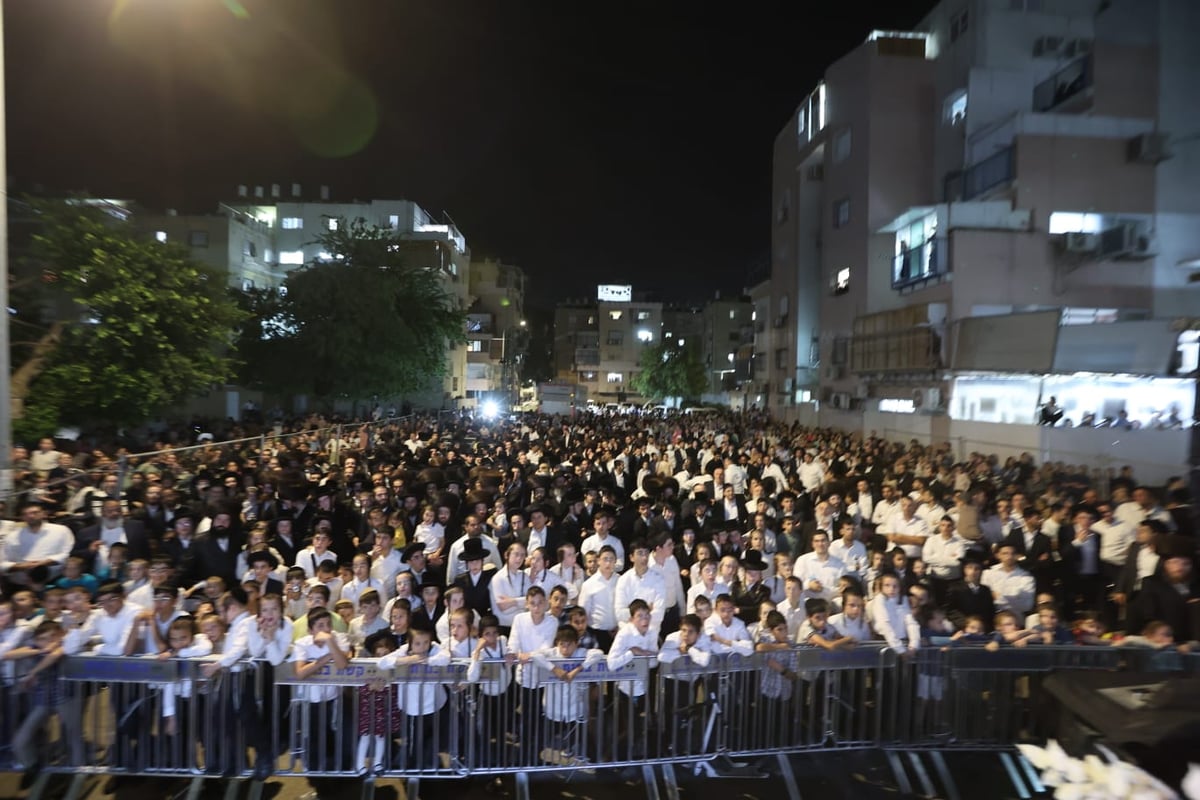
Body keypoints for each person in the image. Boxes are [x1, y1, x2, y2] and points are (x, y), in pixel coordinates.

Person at [290, 607, 353, 772]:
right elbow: (300, 672)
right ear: (311, 629)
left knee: (336, 740)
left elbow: (342, 664)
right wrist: (325, 659)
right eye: (320, 626)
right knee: (314, 742)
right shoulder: (301, 643)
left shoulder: (339, 637)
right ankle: (317, 778)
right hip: (311, 701)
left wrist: (331, 643)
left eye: (328, 624)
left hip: (335, 698)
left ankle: (337, 777)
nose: (326, 629)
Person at [607, 599, 658, 758]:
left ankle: (633, 758)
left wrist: (644, 655)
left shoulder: (652, 632)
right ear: (631, 619)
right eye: (640, 616)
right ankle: (610, 759)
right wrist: (632, 654)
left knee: (640, 727)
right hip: (625, 689)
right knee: (630, 729)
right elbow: (611, 663)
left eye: (647, 615)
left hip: (643, 687)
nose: (644, 620)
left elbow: (655, 660)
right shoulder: (624, 634)